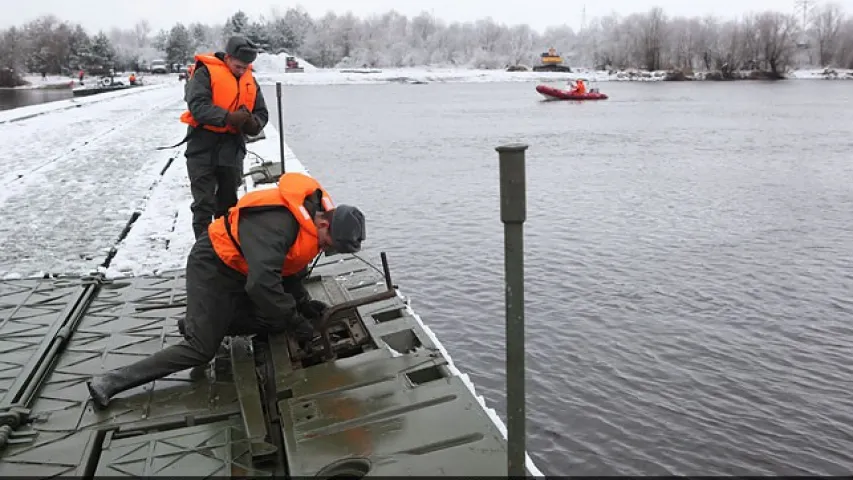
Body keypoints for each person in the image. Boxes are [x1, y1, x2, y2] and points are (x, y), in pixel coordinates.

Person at [86, 171, 367, 409]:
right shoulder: (279, 224)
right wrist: (295, 320)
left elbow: (287, 268)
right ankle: (111, 381)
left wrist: (303, 303)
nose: (328, 250)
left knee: (274, 319)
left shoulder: (310, 222)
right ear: (323, 222)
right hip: (214, 265)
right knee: (201, 349)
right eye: (330, 244)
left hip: (243, 269)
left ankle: (201, 322)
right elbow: (262, 284)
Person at [181, 35, 270, 240]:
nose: (242, 70)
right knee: (204, 203)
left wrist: (253, 123)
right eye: (239, 66)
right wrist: (228, 117)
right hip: (203, 145)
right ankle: (204, 253)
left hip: (232, 147)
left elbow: (262, 113)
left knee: (229, 203)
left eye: (246, 67)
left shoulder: (250, 80)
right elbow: (197, 106)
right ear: (228, 58)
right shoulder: (205, 74)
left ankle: (227, 249)